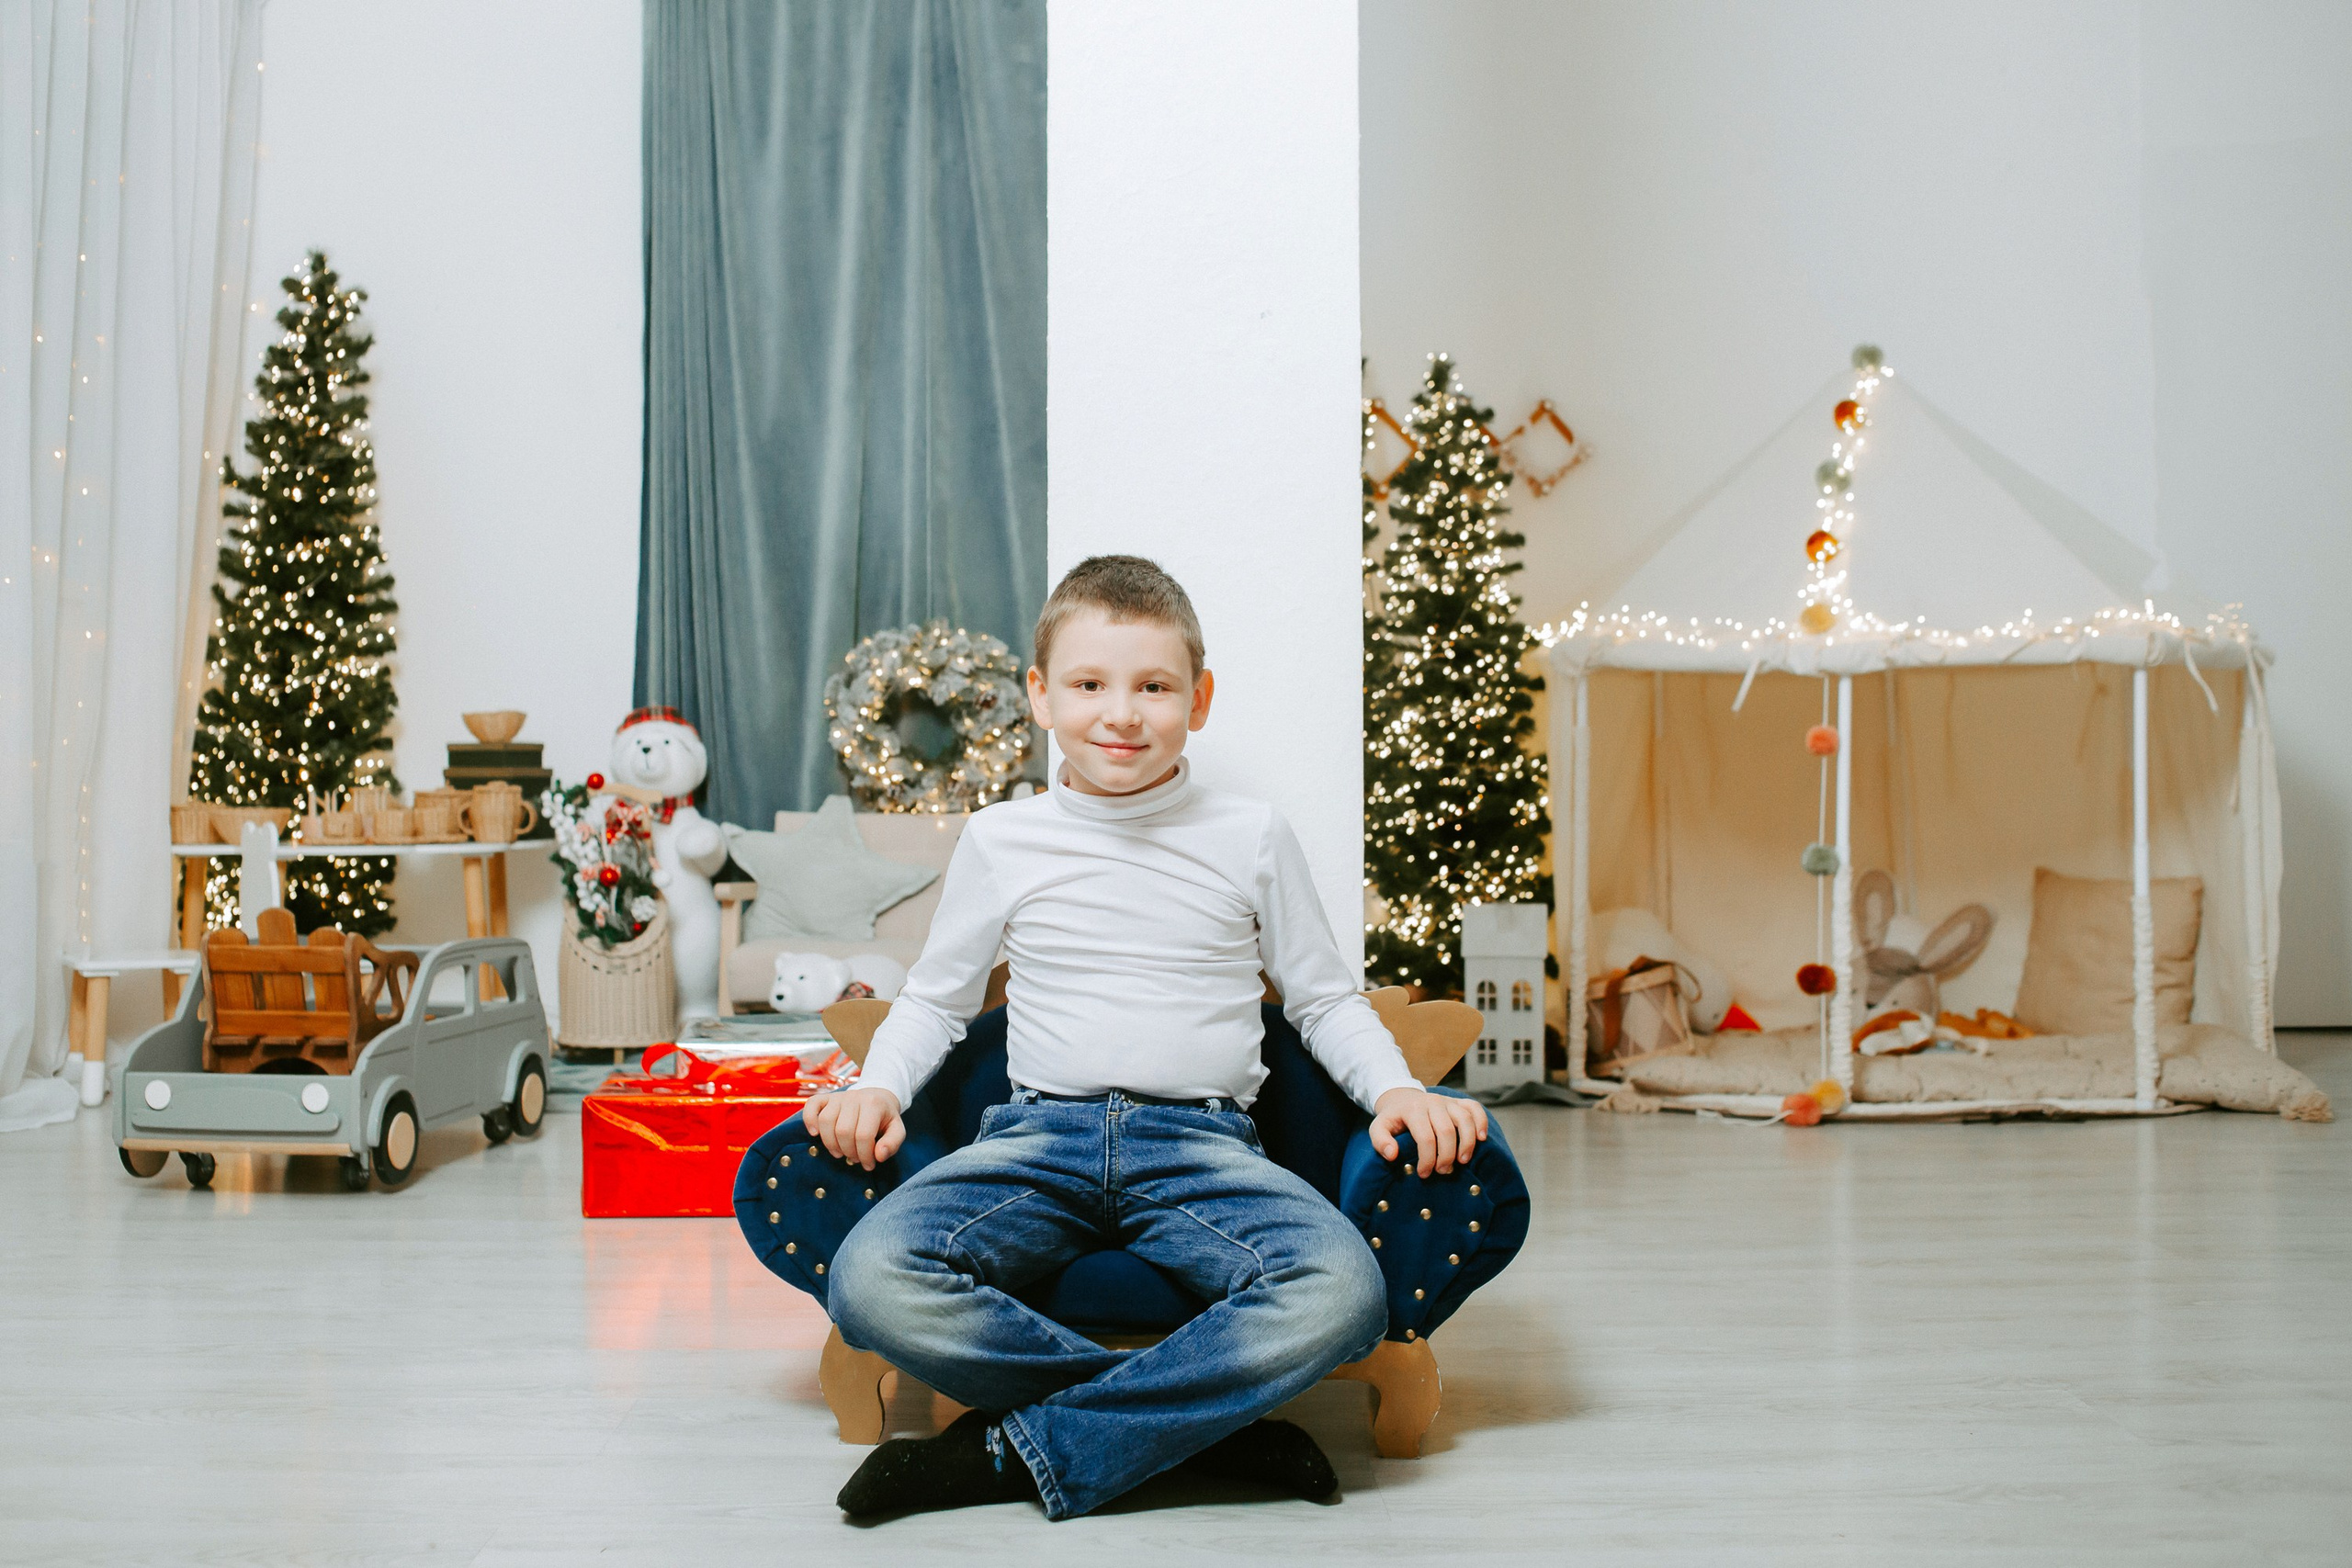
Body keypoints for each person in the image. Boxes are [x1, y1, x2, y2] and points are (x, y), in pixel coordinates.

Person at [809, 555, 1490, 1520]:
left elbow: (1325, 1000)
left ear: (1198, 699)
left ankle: (1018, 1453)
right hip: (1036, 1143)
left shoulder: (1250, 834)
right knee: (872, 1280)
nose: (1120, 714)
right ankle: (1202, 1432)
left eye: (1153, 687)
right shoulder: (1003, 840)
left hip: (1203, 1148)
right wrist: (877, 1084)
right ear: (1042, 698)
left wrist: (1397, 1090)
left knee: (1342, 1294)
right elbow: (934, 1001)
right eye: (1089, 685)